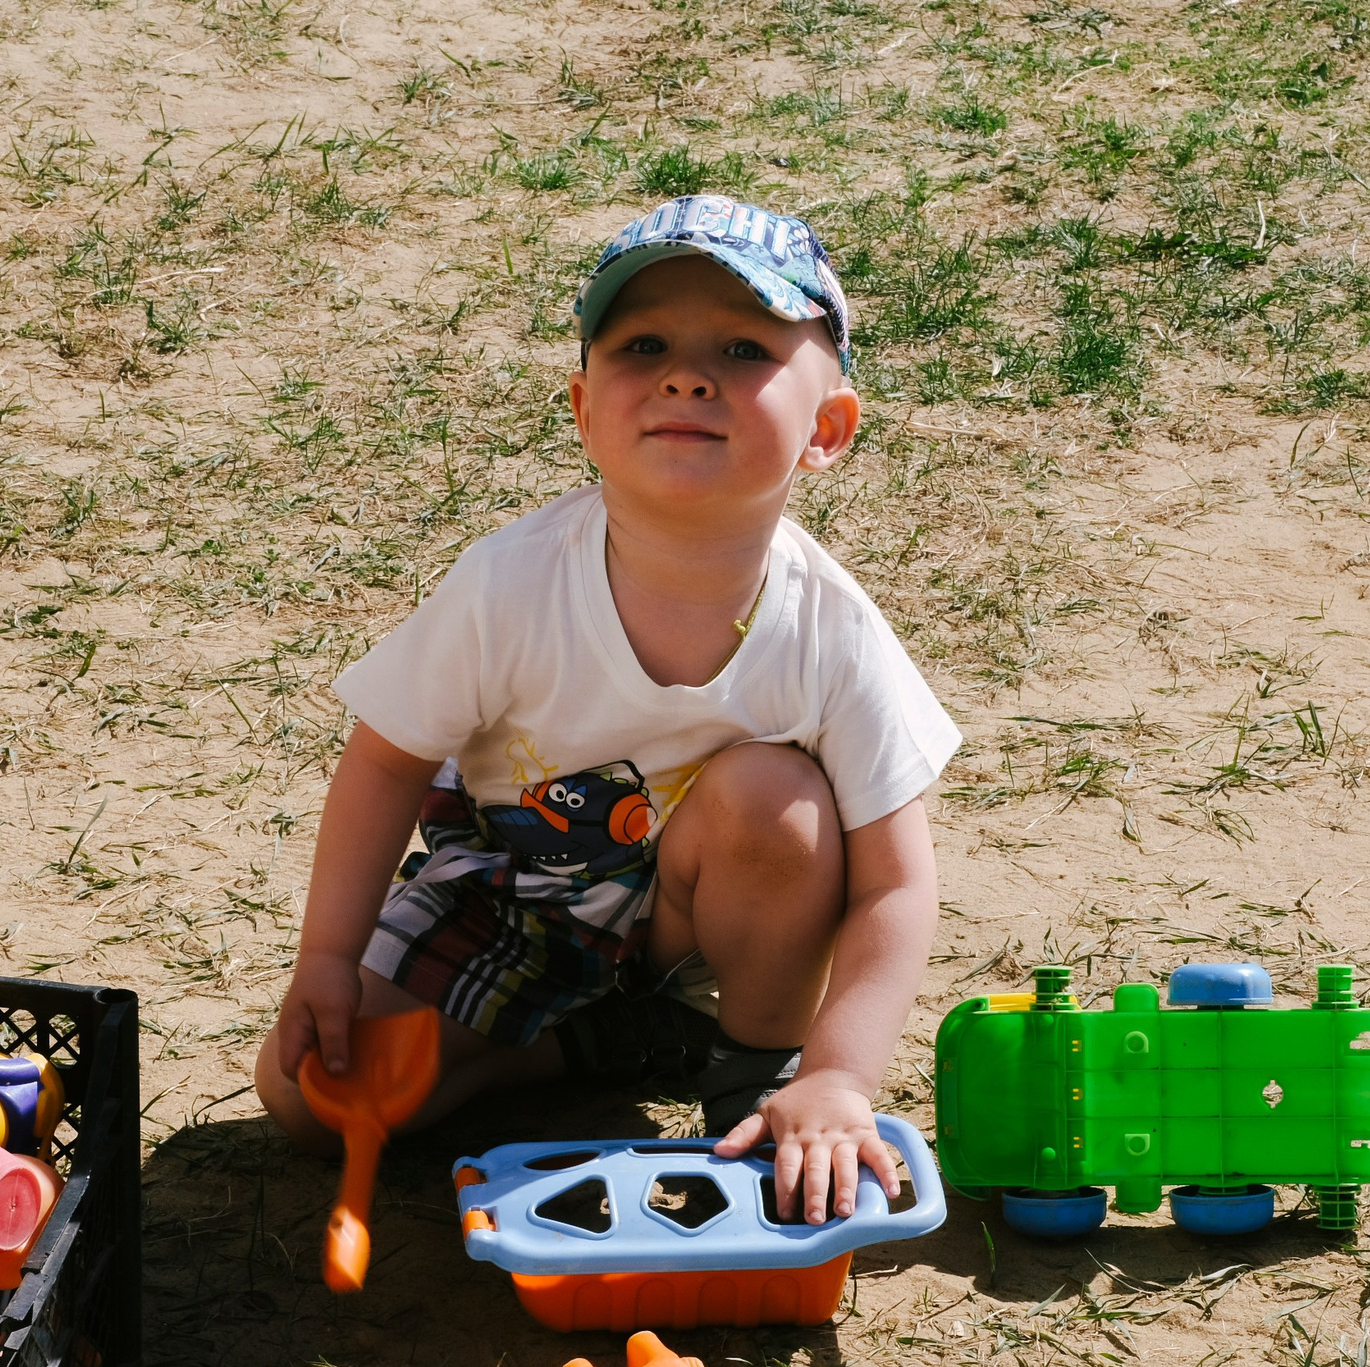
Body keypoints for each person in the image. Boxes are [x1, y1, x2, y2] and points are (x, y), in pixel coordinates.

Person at [253, 196, 960, 1223]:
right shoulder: (509, 586)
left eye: (743, 347)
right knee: (308, 1098)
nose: (685, 374)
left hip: (703, 938)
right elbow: (384, 763)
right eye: (643, 344)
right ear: (583, 411)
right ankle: (571, 1045)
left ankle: (750, 1067)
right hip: (510, 899)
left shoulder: (834, 633)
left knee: (777, 800)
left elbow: (895, 886)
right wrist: (325, 958)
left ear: (827, 430)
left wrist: (838, 1075)